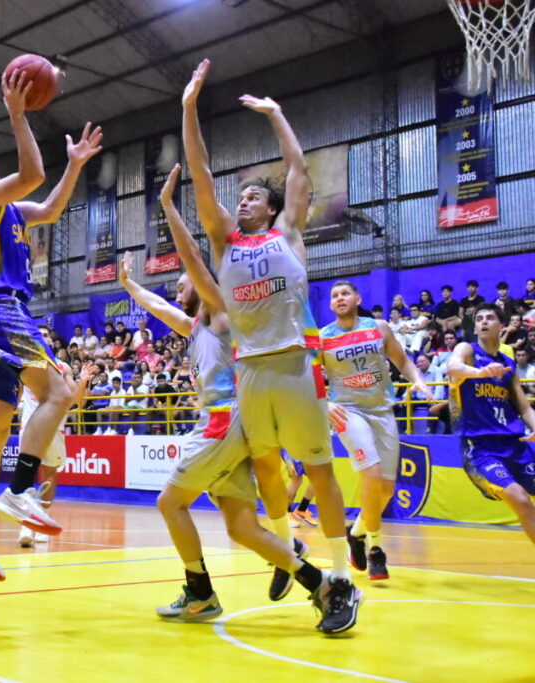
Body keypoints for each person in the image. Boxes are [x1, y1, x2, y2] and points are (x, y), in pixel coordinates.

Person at [117, 166, 353, 633]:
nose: (180, 287)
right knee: (241, 528)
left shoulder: (224, 311)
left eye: (183, 283)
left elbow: (197, 263)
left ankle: (200, 593)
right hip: (236, 425)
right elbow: (164, 309)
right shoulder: (200, 325)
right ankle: (321, 585)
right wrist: (130, 287)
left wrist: (168, 210)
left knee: (169, 503)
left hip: (225, 422)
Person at [182, 59, 360, 616]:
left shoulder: (289, 234)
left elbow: (298, 169)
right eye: (242, 198)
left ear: (274, 207)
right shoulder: (223, 242)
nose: (244, 201)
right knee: (265, 469)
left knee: (320, 471)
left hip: (295, 365)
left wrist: (277, 114)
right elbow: (201, 172)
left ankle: (337, 574)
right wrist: (189, 106)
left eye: (254, 197)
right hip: (251, 370)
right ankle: (288, 556)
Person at [0, 68, 104, 581]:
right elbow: (31, 176)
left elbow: (50, 207)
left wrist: (74, 165)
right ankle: (22, 489)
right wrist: (16, 113)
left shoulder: (7, 209)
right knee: (58, 392)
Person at [321, 281, 433, 581]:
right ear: (331, 305)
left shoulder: (379, 327)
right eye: (334, 296)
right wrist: (324, 404)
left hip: (382, 409)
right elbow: (308, 378)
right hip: (347, 411)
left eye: (345, 293)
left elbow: (402, 360)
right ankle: (375, 549)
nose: (339, 298)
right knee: (370, 474)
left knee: (384, 488)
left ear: (357, 299)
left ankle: (355, 533)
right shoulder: (323, 338)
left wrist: (418, 381)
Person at [447, 303, 535, 545]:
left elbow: (524, 406)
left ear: (502, 326)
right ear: (474, 327)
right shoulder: (467, 350)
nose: (483, 322)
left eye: (490, 318)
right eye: (479, 319)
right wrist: (480, 373)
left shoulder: (508, 363)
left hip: (515, 445)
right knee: (520, 499)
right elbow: (452, 368)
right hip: (481, 450)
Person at [17, 325, 95, 547]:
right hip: (31, 425)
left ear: (51, 341)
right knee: (27, 473)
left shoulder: (63, 367)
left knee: (50, 473)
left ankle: (41, 519)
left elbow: (75, 401)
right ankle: (26, 524)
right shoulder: (26, 363)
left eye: (46, 336)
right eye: (39, 335)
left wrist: (82, 382)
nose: (43, 338)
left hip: (55, 426)